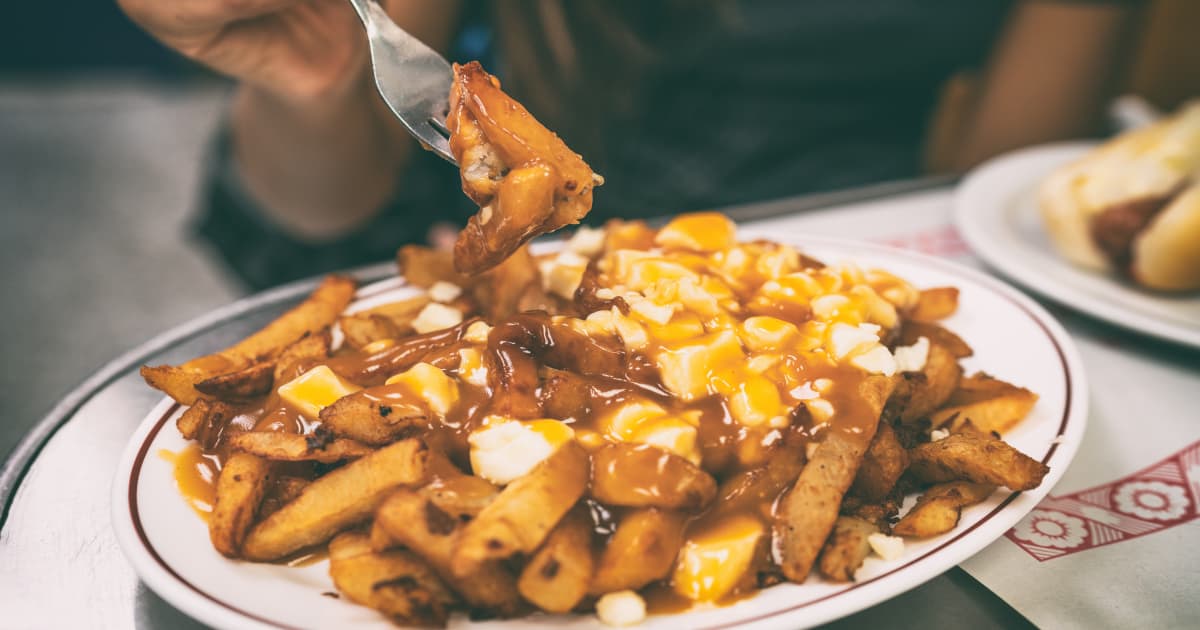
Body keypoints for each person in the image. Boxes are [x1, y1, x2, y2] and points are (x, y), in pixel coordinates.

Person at [117, 0, 1142, 289]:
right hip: (534, 256)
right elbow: (315, 207)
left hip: (862, 266)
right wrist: (324, 77)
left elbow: (1018, 186)